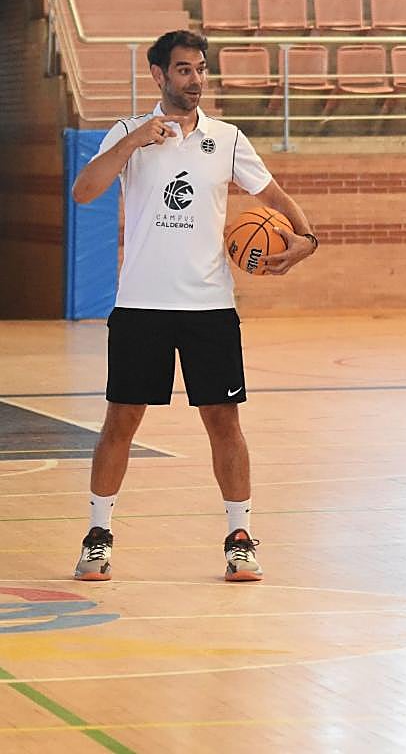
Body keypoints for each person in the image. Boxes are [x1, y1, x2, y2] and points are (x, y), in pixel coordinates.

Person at [71, 30, 318, 583]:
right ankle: (97, 535)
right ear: (158, 75)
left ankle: (239, 539)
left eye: (201, 69)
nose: (196, 79)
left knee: (224, 421)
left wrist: (308, 239)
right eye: (184, 69)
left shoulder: (226, 138)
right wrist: (134, 142)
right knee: (120, 420)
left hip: (209, 307)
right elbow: (83, 191)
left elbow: (272, 197)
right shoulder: (127, 134)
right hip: (141, 305)